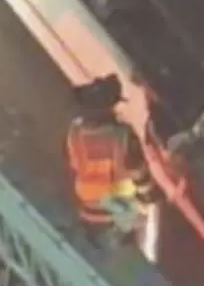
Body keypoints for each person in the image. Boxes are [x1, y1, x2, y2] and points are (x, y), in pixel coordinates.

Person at [66, 74, 157, 247]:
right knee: (149, 223)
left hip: (87, 209)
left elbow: (74, 165)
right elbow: (138, 172)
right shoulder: (121, 135)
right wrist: (149, 198)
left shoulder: (74, 132)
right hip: (118, 210)